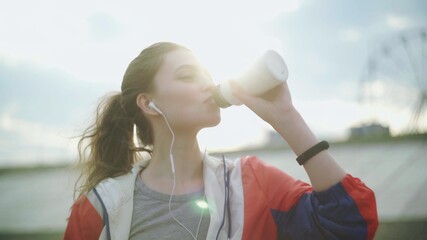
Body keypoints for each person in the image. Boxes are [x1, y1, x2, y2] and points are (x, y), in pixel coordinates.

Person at [64, 42, 378, 240]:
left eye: (207, 74)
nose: (208, 84)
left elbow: (352, 224)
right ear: (148, 104)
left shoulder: (252, 181)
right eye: (188, 76)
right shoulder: (99, 207)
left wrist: (286, 116)